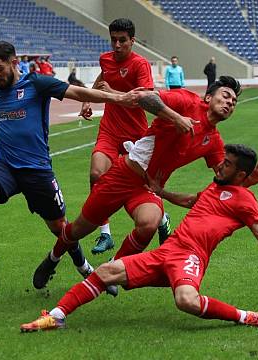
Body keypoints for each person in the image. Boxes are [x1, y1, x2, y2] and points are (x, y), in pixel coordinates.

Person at [32, 76, 258, 296]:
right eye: (226, 96)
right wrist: (174, 117)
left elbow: (223, 177)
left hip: (147, 187)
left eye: (234, 101)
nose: (230, 102)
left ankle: (110, 271)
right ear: (209, 97)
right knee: (77, 231)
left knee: (149, 223)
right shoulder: (187, 100)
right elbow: (144, 97)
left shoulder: (214, 141)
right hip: (123, 174)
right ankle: (53, 258)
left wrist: (247, 182)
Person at [20, 144, 258, 332]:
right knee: (106, 271)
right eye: (223, 160)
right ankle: (56, 316)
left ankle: (246, 317)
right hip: (166, 251)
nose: (220, 165)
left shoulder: (245, 199)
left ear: (241, 175)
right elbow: (192, 200)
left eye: (228, 164)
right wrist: (161, 192)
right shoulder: (216, 186)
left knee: (186, 300)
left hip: (190, 256)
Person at [0, 41, 138, 296]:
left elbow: (78, 93)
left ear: (14, 62)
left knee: (61, 229)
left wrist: (118, 98)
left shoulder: (37, 83)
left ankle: (84, 268)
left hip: (37, 171)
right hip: (5, 166)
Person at [79, 18, 166, 255]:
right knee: (97, 174)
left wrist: (114, 94)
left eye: (122, 40)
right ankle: (105, 233)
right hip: (109, 129)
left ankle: (163, 218)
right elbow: (101, 80)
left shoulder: (140, 64)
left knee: (144, 184)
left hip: (136, 133)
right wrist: (88, 99)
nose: (117, 45)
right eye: (113, 40)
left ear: (132, 41)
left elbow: (147, 99)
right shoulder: (105, 59)